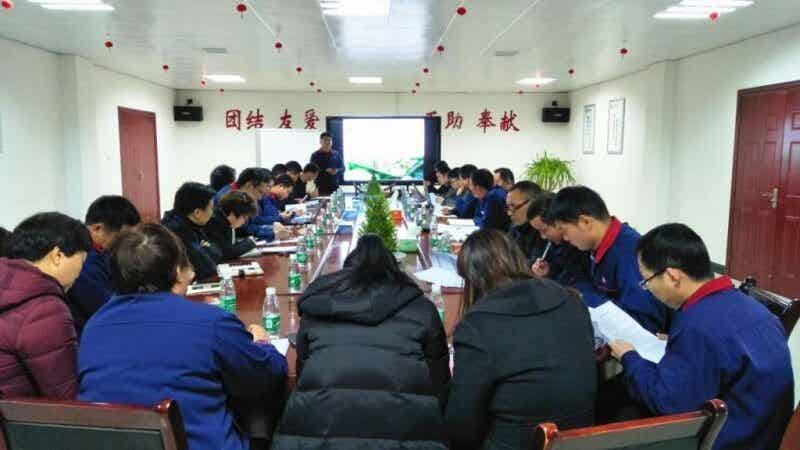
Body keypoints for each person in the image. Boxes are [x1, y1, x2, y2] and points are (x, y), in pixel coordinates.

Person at [79, 224, 287, 450]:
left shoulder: (94, 327)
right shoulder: (211, 323)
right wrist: (262, 342)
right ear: (177, 272)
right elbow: (267, 376)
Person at [609, 223, 794, 450]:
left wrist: (629, 357)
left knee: (623, 413)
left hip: (730, 441)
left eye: (647, 282)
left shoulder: (697, 326)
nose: (649, 289)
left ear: (672, 277)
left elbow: (667, 404)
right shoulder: (753, 309)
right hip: (765, 432)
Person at [272, 234, 450, 450]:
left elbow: (304, 374)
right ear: (395, 272)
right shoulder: (423, 309)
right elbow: (439, 385)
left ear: (347, 274)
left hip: (318, 434)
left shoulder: (318, 307)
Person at [445, 229, 597, 450]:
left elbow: (461, 427)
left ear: (473, 280)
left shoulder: (477, 326)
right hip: (580, 439)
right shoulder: (570, 298)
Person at [548, 186, 670, 334]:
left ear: (585, 222)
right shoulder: (598, 246)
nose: (565, 238)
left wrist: (587, 299)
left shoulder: (629, 253)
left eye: (565, 231)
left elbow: (645, 323)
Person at [0, 212, 92, 400]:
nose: (79, 273)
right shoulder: (45, 308)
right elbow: (65, 398)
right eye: (81, 261)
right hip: (20, 417)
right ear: (58, 256)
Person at [67, 196, 141, 334]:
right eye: (123, 237)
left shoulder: (102, 254)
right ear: (97, 228)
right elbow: (108, 308)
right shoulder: (82, 261)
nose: (127, 244)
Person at [526, 193, 597, 304]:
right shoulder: (553, 244)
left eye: (544, 230)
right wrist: (547, 274)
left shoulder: (582, 245)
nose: (542, 236)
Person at [162, 182, 223, 280]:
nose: (213, 213)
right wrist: (204, 248)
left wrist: (204, 249)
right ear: (197, 212)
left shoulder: (191, 222)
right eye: (211, 208)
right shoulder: (177, 230)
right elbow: (207, 269)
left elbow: (218, 253)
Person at [205, 191, 259, 260]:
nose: (245, 222)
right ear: (233, 214)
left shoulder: (225, 220)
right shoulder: (214, 222)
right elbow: (224, 253)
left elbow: (230, 245)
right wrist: (250, 242)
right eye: (245, 217)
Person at [505, 181, 544, 262]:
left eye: (513, 206)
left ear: (533, 203)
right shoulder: (516, 226)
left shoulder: (543, 232)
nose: (509, 213)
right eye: (508, 207)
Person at [310, 131, 344, 196]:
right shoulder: (315, 155)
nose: (328, 142)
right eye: (325, 140)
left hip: (334, 187)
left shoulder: (336, 154)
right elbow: (311, 171)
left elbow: (343, 168)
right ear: (320, 141)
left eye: (329, 140)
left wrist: (337, 171)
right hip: (321, 188)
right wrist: (324, 170)